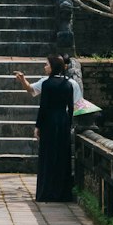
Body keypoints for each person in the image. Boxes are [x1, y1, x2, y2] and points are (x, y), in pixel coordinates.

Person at [15, 54, 74, 202]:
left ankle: (46, 191)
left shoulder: (47, 84)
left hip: (49, 122)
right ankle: (62, 192)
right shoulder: (68, 84)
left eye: (47, 64)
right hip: (63, 121)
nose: (45, 67)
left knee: (48, 156)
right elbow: (71, 107)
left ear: (53, 67)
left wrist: (38, 126)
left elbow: (44, 107)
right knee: (62, 156)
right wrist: (69, 122)